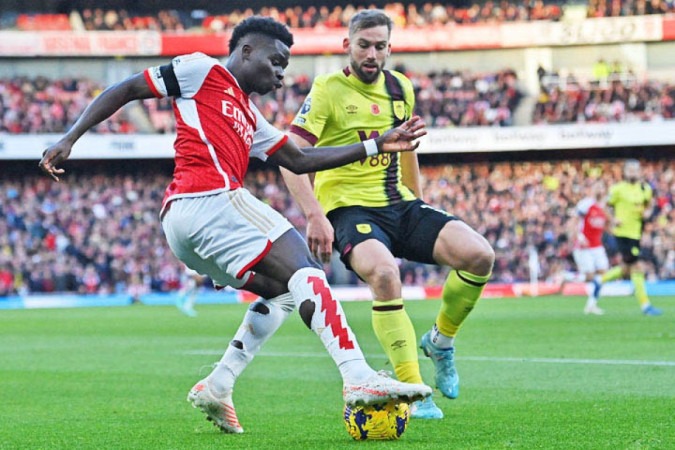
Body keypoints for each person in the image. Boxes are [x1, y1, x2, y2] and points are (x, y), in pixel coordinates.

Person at [39, 16, 431, 434]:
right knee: (308, 271)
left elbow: (298, 160)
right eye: (276, 61)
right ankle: (357, 375)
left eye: (285, 65)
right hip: (208, 198)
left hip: (185, 226)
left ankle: (219, 384)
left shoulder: (249, 115)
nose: (281, 73)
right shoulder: (202, 69)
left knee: (284, 293)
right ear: (246, 50)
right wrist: (70, 137)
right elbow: (128, 87)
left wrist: (375, 144)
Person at [282, 10, 495, 419]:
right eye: (364, 45)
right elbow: (291, 156)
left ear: (390, 48)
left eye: (381, 46)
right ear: (347, 45)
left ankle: (441, 342)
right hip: (349, 208)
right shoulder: (328, 88)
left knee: (479, 255)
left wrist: (421, 203)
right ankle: (415, 389)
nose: (372, 54)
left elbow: (408, 148)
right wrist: (314, 215)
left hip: (399, 203)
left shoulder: (401, 89)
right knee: (384, 274)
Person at [600, 160, 662, 316]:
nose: (633, 172)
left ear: (640, 172)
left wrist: (647, 212)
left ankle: (597, 282)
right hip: (622, 234)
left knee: (626, 268)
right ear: (625, 172)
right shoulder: (618, 189)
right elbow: (605, 205)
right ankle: (645, 306)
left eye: (636, 170)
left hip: (636, 233)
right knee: (637, 267)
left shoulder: (645, 189)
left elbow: (649, 204)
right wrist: (613, 219)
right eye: (630, 170)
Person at [572, 181, 610, 315]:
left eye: (602, 186)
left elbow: (605, 224)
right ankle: (567, 277)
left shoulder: (604, 206)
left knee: (603, 274)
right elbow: (574, 220)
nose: (600, 189)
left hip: (597, 246)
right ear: (593, 189)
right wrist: (579, 236)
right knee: (589, 277)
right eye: (597, 187)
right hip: (585, 246)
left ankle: (591, 304)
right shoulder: (586, 204)